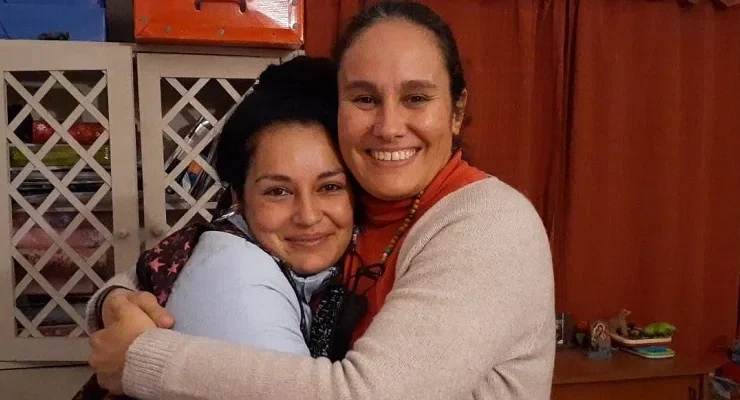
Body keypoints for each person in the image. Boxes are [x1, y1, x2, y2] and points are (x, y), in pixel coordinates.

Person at [87, 2, 555, 399]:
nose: (389, 127)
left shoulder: (490, 224)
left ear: (456, 111)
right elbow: (202, 248)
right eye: (364, 99)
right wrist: (115, 301)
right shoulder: (361, 202)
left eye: (416, 98)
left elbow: (368, 394)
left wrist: (141, 357)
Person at [88, 56, 353, 356]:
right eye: (278, 191)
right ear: (238, 197)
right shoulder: (236, 274)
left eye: (330, 187)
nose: (307, 216)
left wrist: (110, 296)